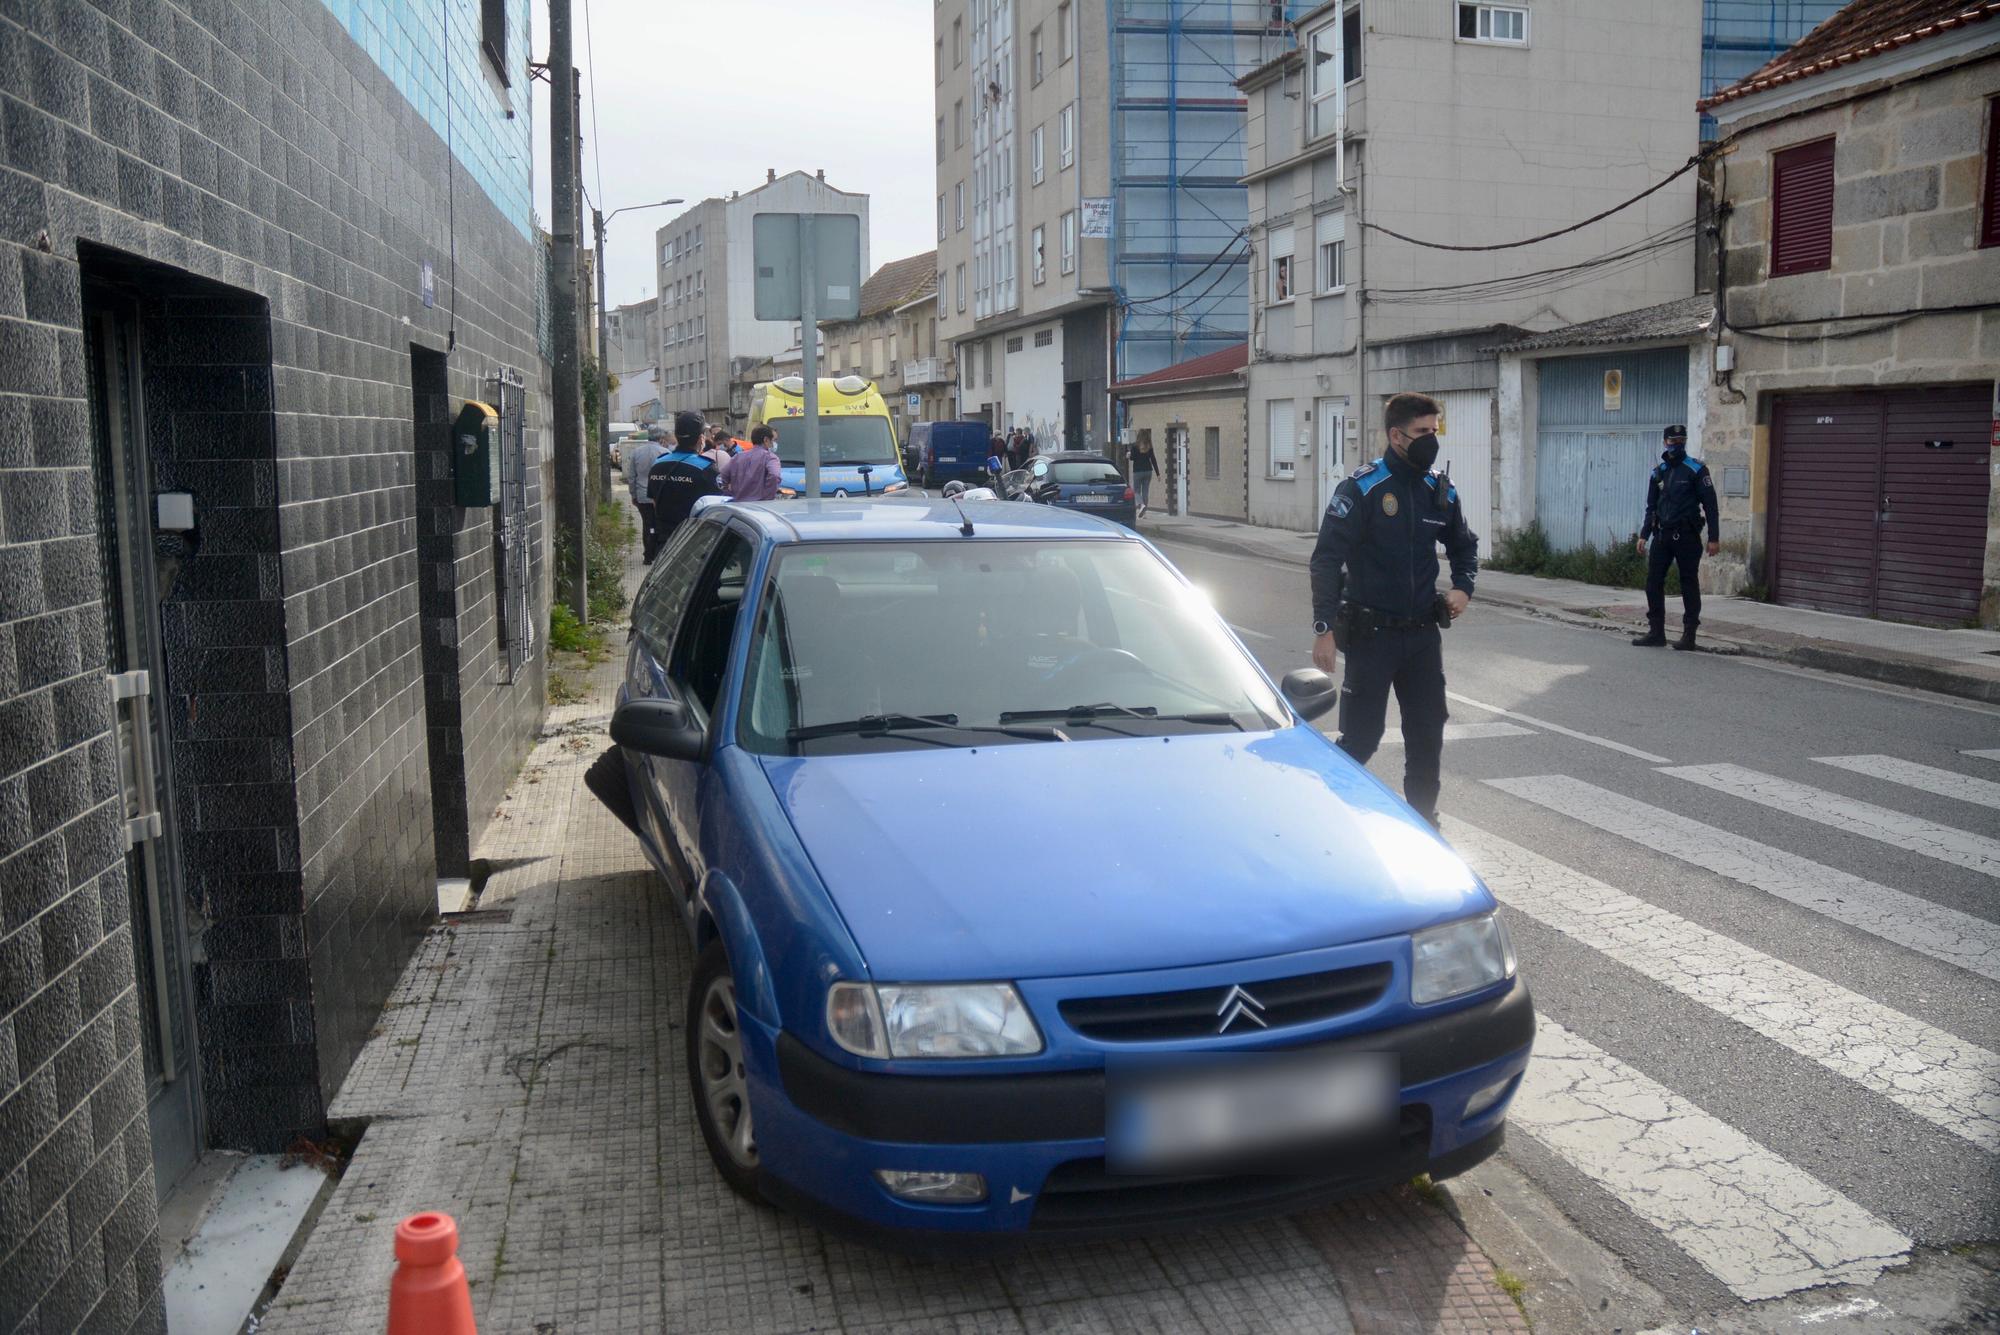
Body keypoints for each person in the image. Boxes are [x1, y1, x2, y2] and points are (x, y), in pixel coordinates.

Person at [1309, 392, 1478, 827]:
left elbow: (1463, 544)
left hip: (1422, 636)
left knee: (1426, 735)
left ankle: (1424, 823)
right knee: (1361, 740)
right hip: (1371, 636)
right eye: (1423, 432)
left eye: (1435, 431)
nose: (1431, 440)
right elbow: (1326, 559)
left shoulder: (1438, 489)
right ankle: (1323, 818)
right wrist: (1324, 628)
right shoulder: (1363, 488)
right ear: (1397, 436)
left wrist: (1463, 587)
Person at [1632, 424, 1720, 652]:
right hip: (1662, 535)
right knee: (1653, 583)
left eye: (1681, 441)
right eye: (1672, 441)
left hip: (1687, 536)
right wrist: (1644, 534)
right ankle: (1656, 632)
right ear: (1665, 443)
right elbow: (1651, 506)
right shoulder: (1658, 472)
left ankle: (1689, 635)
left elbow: (1711, 506)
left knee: (1688, 584)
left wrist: (1714, 538)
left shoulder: (1696, 470)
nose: (1676, 445)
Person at [643, 411, 719, 562]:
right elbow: (716, 507)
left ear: (676, 436)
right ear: (700, 439)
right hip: (695, 543)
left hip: (664, 543)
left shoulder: (658, 464)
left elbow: (654, 502)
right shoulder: (706, 468)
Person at [626, 426, 668, 557]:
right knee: (658, 523)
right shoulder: (665, 453)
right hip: (660, 496)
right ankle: (656, 551)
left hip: (642, 495)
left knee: (647, 523)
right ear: (661, 438)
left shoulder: (636, 452)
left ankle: (648, 553)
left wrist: (633, 494)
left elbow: (632, 476)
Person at [720, 424, 784, 502]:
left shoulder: (738, 457)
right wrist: (768, 498)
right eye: (774, 440)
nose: (775, 443)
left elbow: (723, 475)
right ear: (766, 440)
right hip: (759, 506)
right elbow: (774, 476)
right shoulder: (770, 458)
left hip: (738, 505)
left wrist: (729, 493)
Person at [1128, 434, 1161, 519]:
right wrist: (1158, 474)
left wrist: (1128, 455)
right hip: (1148, 471)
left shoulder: (1135, 446)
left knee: (1136, 491)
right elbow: (1153, 459)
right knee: (1145, 492)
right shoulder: (1149, 447)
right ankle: (1144, 513)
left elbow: (1132, 458)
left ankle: (1141, 505)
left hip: (1138, 472)